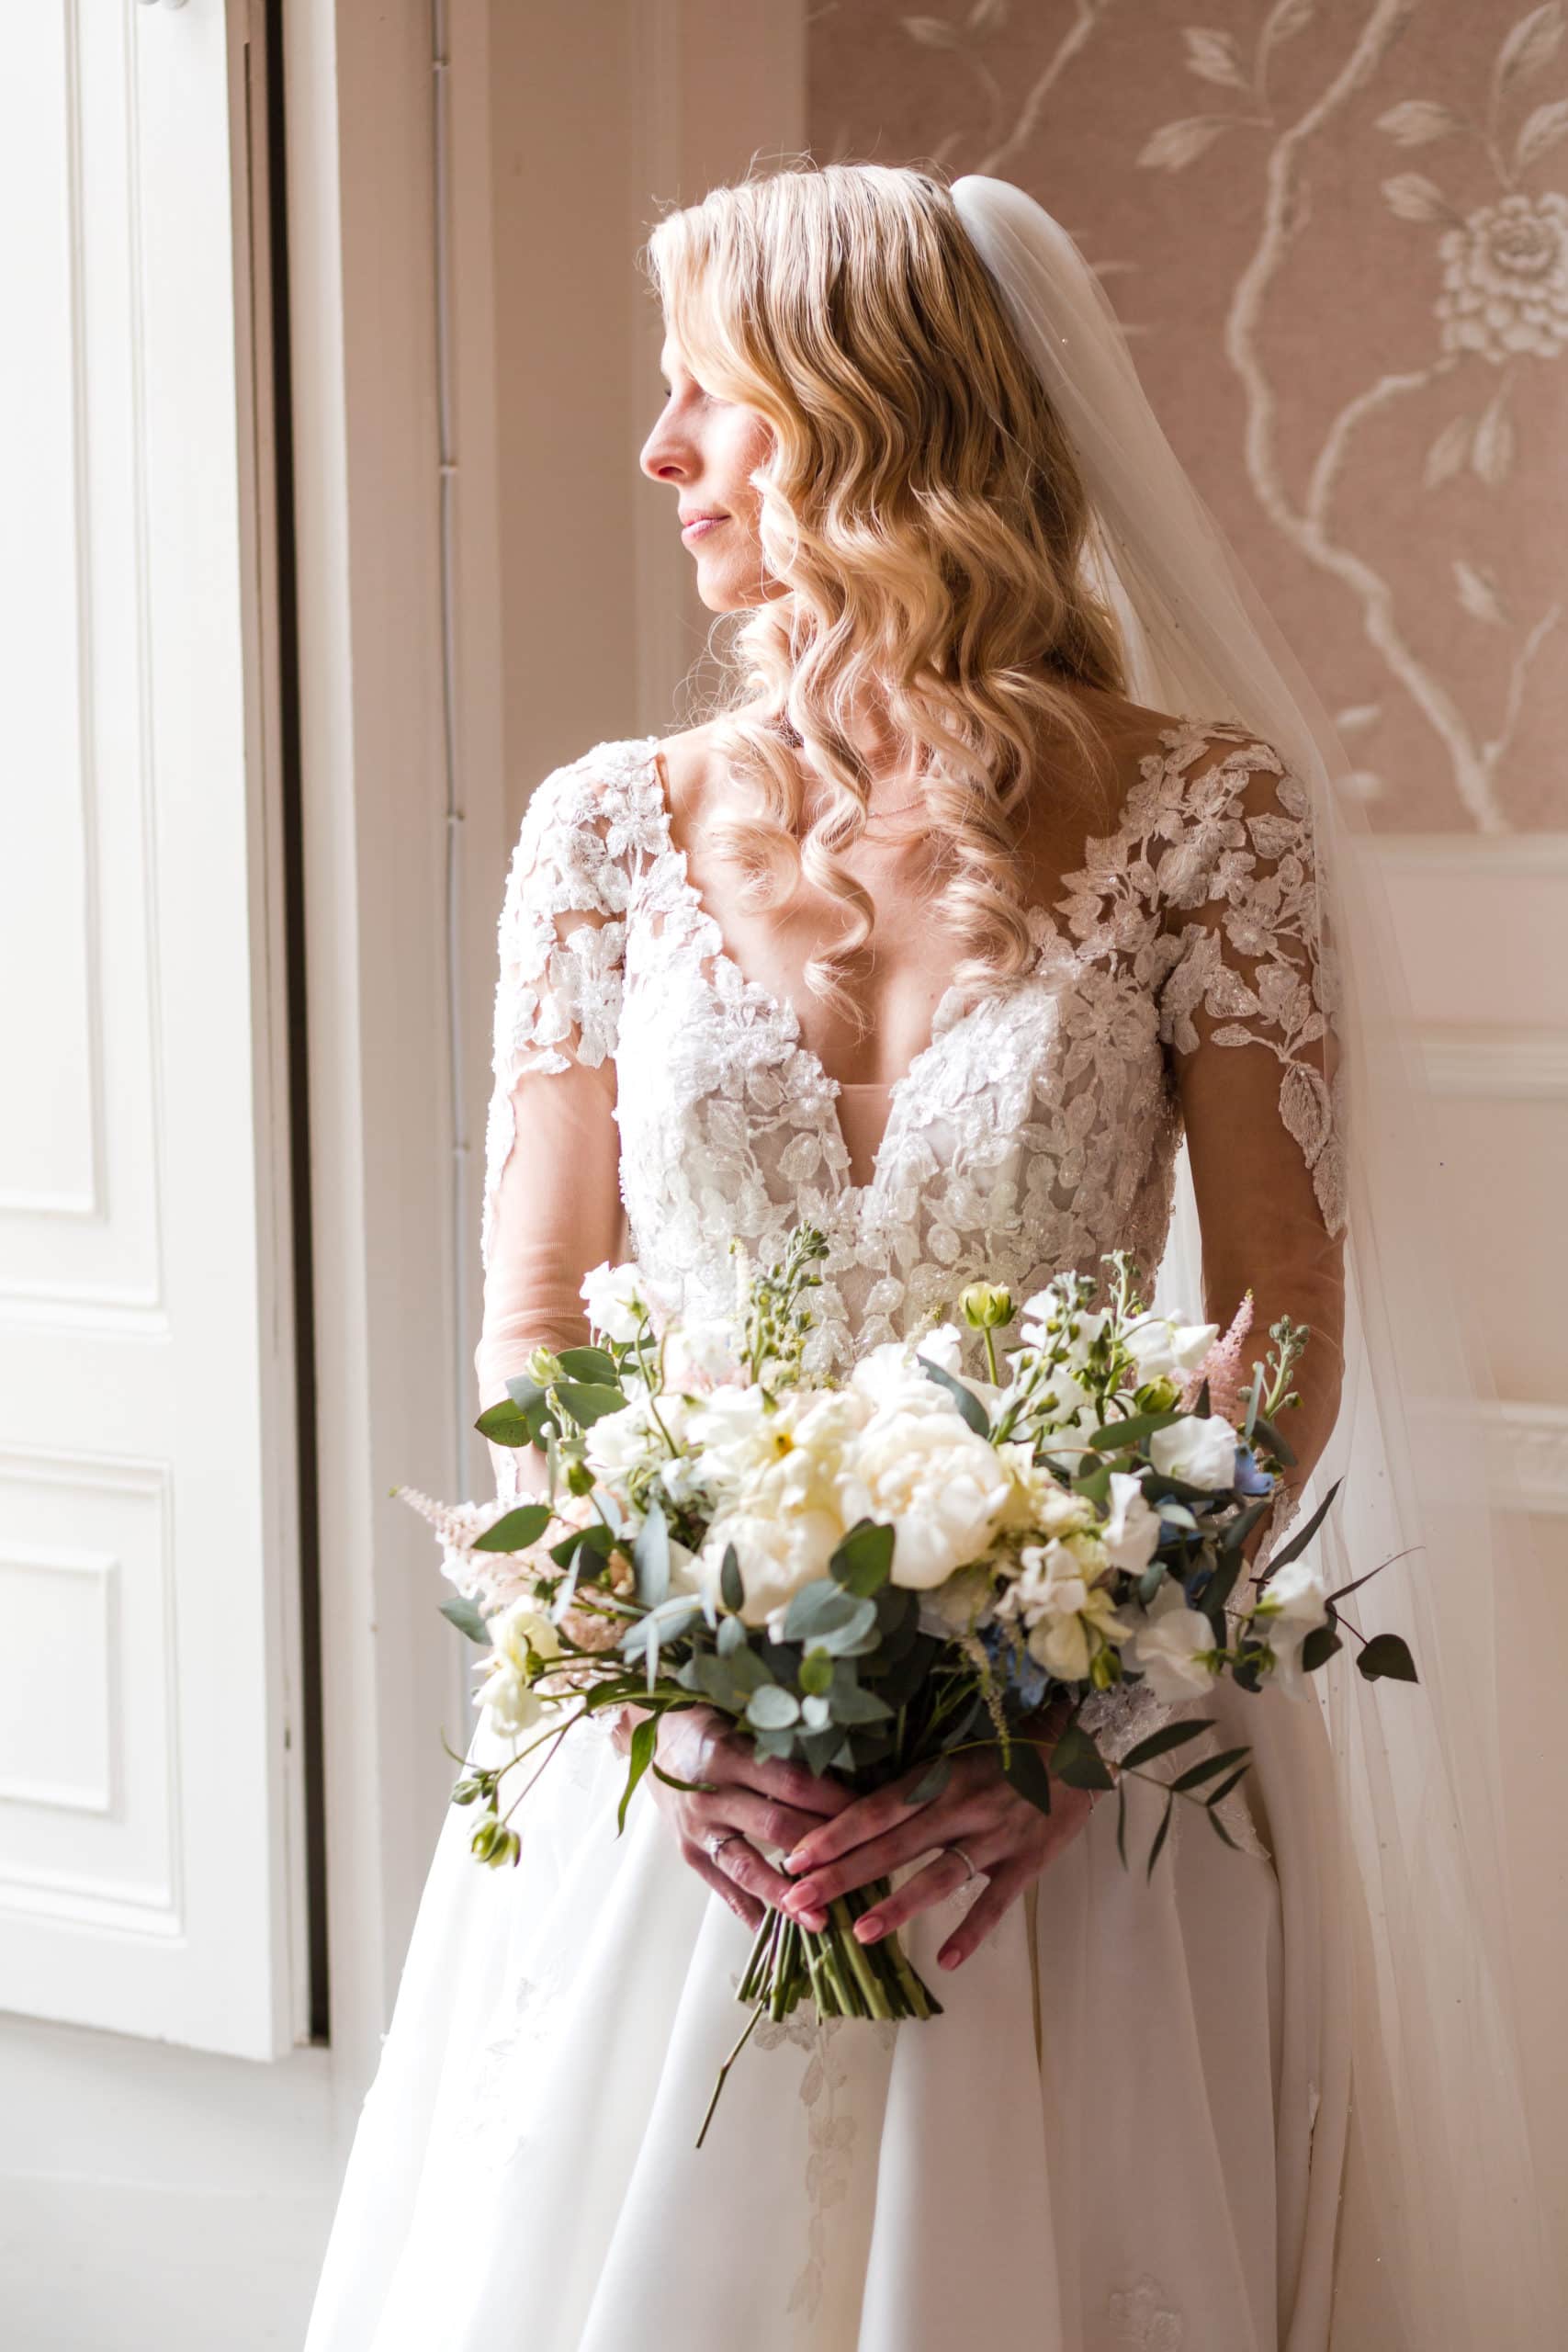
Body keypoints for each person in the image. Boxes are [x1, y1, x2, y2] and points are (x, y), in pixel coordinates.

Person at [303, 164, 1553, 2351]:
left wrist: (1048, 1715)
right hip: (690, 1771)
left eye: (712, 397)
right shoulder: (606, 826)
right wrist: (664, 1705)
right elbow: (536, 1324)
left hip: (1078, 1798)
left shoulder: (1205, 816)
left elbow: (1272, 1319)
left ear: (869, 412)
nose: (657, 451)